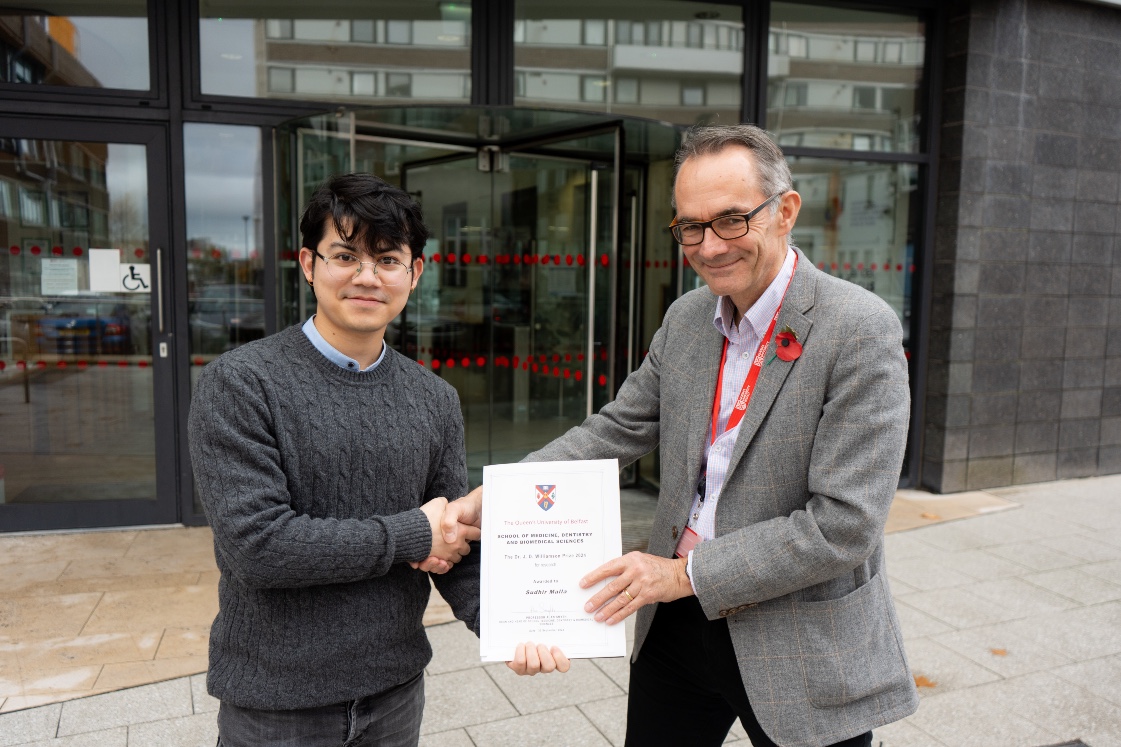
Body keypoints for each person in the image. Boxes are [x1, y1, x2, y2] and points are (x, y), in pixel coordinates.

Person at [443, 125, 919, 746]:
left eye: (730, 220)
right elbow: (618, 428)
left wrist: (682, 575)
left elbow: (843, 527)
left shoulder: (859, 330)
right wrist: (500, 494)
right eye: (690, 227)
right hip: (674, 626)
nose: (708, 246)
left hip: (798, 630)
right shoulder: (688, 316)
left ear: (786, 212)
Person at [189, 173, 484, 747]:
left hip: (395, 693)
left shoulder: (435, 399)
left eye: (388, 259)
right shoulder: (242, 383)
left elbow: (454, 537)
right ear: (308, 263)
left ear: (414, 273)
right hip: (276, 705)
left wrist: (511, 625)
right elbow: (260, 548)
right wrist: (411, 535)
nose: (367, 277)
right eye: (345, 255)